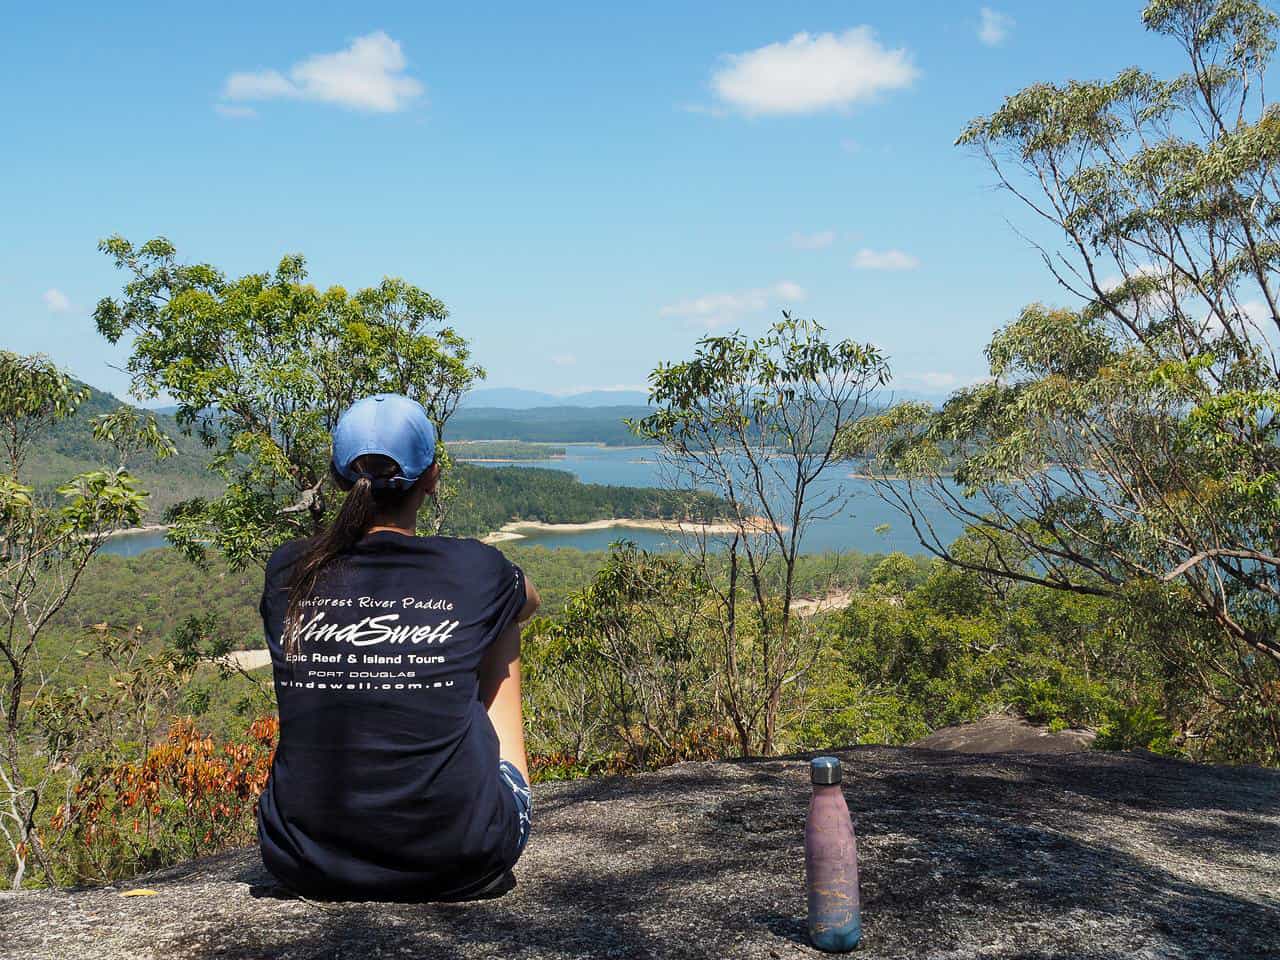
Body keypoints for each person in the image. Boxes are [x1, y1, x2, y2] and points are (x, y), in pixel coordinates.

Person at [256, 393, 540, 901]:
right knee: (504, 619)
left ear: (341, 479)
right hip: (463, 856)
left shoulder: (289, 570)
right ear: (431, 478)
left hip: (302, 859)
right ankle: (504, 779)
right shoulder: (476, 569)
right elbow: (529, 602)